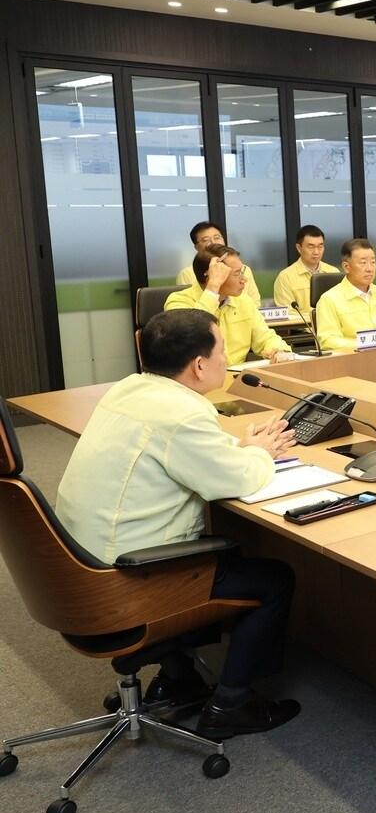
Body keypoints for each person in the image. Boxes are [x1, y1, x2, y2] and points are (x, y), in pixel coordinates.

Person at [55, 309, 301, 738]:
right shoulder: (184, 414)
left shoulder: (130, 389)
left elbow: (177, 447)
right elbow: (238, 479)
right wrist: (261, 454)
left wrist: (242, 445)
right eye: (222, 349)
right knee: (273, 578)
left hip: (76, 573)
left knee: (224, 551)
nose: (228, 359)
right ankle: (231, 704)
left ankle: (179, 675)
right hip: (121, 585)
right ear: (200, 365)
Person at [165, 245, 293, 366]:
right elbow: (191, 336)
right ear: (212, 275)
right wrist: (213, 286)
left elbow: (266, 338)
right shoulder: (178, 301)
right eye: (237, 274)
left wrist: (280, 350)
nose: (244, 279)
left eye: (242, 272)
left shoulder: (243, 301)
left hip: (235, 377)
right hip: (197, 382)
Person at [176, 221, 261, 304]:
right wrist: (213, 285)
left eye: (217, 237)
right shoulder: (185, 280)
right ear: (196, 247)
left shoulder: (244, 302)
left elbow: (255, 303)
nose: (213, 242)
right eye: (206, 240)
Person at [273, 225, 339, 310]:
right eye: (311, 247)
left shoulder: (334, 272)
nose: (316, 252)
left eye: (320, 246)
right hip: (303, 323)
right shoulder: (285, 277)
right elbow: (288, 313)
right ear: (299, 248)